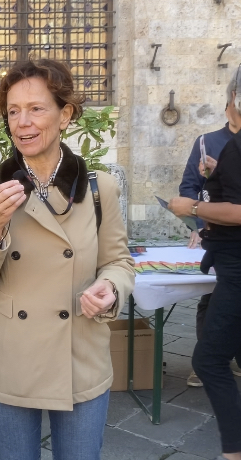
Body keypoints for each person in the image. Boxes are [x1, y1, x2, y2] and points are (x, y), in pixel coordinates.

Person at [0, 59, 135, 460]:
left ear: (65, 113)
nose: (23, 123)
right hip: (10, 361)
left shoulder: (99, 189)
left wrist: (109, 288)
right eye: (13, 111)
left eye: (36, 108)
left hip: (80, 357)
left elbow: (119, 263)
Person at [169, 66, 241, 460]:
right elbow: (189, 188)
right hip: (217, 247)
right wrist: (199, 219)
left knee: (211, 355)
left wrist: (200, 207)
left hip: (235, 255)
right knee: (209, 304)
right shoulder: (206, 141)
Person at [178, 83, 241, 387]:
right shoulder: (208, 141)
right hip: (214, 238)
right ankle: (210, 360)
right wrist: (198, 226)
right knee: (210, 297)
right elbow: (189, 186)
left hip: (232, 238)